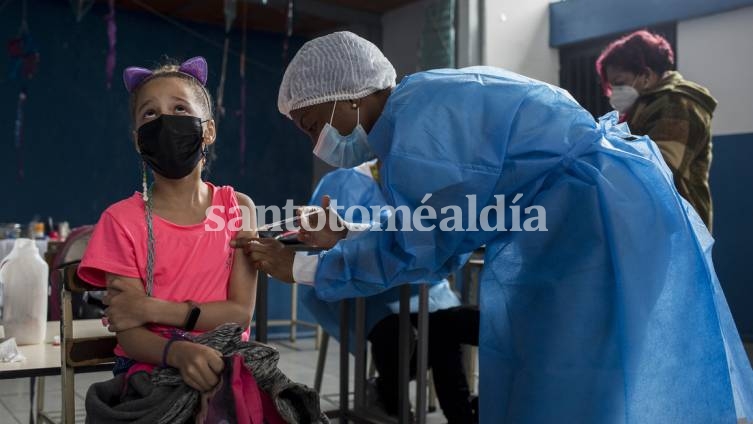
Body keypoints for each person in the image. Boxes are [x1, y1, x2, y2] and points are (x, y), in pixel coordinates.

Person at [234, 32, 753, 423]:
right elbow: (441, 221)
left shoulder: (415, 133)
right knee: (583, 376)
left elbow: (422, 244)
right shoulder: (417, 108)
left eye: (311, 125)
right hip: (595, 215)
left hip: (590, 229)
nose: (316, 143)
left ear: (345, 96)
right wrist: (347, 230)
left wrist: (301, 266)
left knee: (573, 384)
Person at [78, 57, 259, 392]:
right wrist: (178, 351)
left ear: (208, 130)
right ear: (138, 140)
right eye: (150, 113)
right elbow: (129, 329)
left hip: (227, 360)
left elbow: (240, 314)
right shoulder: (120, 221)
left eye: (179, 109)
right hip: (150, 366)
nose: (164, 121)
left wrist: (154, 308)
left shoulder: (239, 208)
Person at [300, 159, 480, 423]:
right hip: (363, 294)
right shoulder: (343, 184)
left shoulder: (424, 185)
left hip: (423, 293)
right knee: (404, 334)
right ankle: (396, 405)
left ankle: (399, 403)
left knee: (440, 329)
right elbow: (333, 252)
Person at [596, 30, 717, 230]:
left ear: (646, 75)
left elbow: (660, 169)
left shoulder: (678, 104)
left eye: (619, 83)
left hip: (678, 229)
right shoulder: (643, 107)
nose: (615, 93)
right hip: (656, 223)